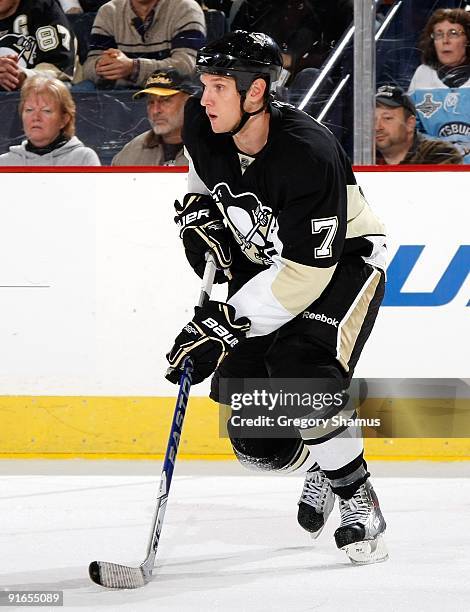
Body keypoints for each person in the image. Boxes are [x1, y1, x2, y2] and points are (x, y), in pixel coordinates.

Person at [165, 31, 388, 565]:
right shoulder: (205, 121)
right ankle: (321, 457)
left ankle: (359, 500)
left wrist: (226, 324)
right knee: (259, 447)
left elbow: (307, 273)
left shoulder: (308, 153)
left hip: (340, 263)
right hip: (266, 266)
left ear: (257, 91)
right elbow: (203, 175)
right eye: (204, 85)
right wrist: (198, 216)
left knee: (301, 370)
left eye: (219, 86)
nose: (205, 98)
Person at [82, 0, 206, 88]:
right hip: (119, 94)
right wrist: (104, 66)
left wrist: (133, 68)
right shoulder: (109, 11)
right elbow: (89, 67)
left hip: (171, 91)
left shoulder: (186, 8)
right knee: (82, 90)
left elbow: (187, 67)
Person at [408, 8, 470, 164]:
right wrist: (440, 151)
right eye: (439, 34)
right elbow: (410, 127)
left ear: (467, 39)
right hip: (435, 167)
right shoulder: (423, 75)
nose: (445, 40)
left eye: (453, 33)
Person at [0, 74, 100, 165]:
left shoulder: (83, 159)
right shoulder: (4, 162)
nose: (36, 117)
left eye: (46, 111)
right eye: (29, 110)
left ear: (64, 119)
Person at [112, 69, 199, 166]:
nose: (155, 111)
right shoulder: (131, 153)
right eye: (150, 102)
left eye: (165, 100)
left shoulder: (214, 148)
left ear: (189, 103)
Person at [375, 84, 463, 165]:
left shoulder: (440, 154)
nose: (377, 127)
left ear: (410, 123)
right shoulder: (364, 155)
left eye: (387, 118)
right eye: (372, 120)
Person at [0, 0, 76, 92]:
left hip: (41, 95)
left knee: (56, 87)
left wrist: (24, 76)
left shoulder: (42, 8)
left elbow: (60, 68)